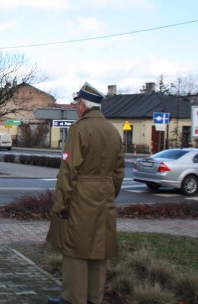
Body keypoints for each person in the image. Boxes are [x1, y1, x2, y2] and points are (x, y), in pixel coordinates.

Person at [46, 82, 125, 304]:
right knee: (99, 249)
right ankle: (94, 297)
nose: (75, 108)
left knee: (75, 248)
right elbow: (119, 170)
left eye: (76, 104)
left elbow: (69, 170)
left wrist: (61, 204)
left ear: (82, 106)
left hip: (80, 196)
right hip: (104, 196)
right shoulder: (112, 131)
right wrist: (109, 192)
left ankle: (73, 298)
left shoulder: (79, 129)